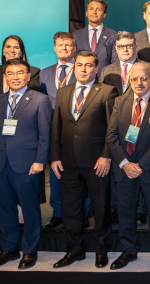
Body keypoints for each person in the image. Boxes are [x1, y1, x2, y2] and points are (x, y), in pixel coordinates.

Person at [0, 58, 53, 269]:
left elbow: (45, 135)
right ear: (5, 77)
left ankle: (30, 250)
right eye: (10, 73)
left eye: (20, 73)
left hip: (27, 164)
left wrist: (40, 161)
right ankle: (9, 248)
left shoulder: (41, 100)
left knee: (30, 209)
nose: (15, 77)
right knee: (4, 209)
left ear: (28, 76)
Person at [49, 51, 119, 269]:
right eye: (80, 65)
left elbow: (112, 127)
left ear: (96, 69)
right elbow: (56, 126)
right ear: (74, 67)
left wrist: (106, 155)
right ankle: (75, 250)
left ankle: (101, 251)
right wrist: (55, 156)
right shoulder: (63, 92)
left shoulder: (107, 91)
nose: (84, 69)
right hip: (68, 161)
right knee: (70, 210)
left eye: (89, 65)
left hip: (97, 162)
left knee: (101, 209)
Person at [106, 61, 150, 270]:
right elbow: (111, 136)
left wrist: (140, 165)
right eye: (135, 79)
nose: (139, 82)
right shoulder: (119, 102)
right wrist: (125, 164)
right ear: (129, 80)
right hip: (124, 169)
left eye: (144, 78)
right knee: (125, 213)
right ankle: (128, 251)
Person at [38, 32, 78, 230]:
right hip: (53, 130)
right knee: (55, 171)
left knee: (79, 171)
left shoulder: (82, 69)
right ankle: (58, 213)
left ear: (74, 48)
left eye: (68, 45)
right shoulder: (44, 73)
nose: (64, 48)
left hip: (77, 128)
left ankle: (82, 212)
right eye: (61, 45)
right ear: (54, 48)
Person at [0, 35, 33, 101]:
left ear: (21, 51)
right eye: (8, 47)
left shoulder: (34, 72)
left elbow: (34, 97)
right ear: (3, 50)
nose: (12, 50)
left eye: (16, 47)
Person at [74, 0, 117, 69]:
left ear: (104, 15)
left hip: (104, 75)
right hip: (83, 75)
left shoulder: (113, 35)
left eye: (98, 9)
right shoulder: (76, 35)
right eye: (91, 9)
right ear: (86, 13)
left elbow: (115, 62)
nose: (94, 12)